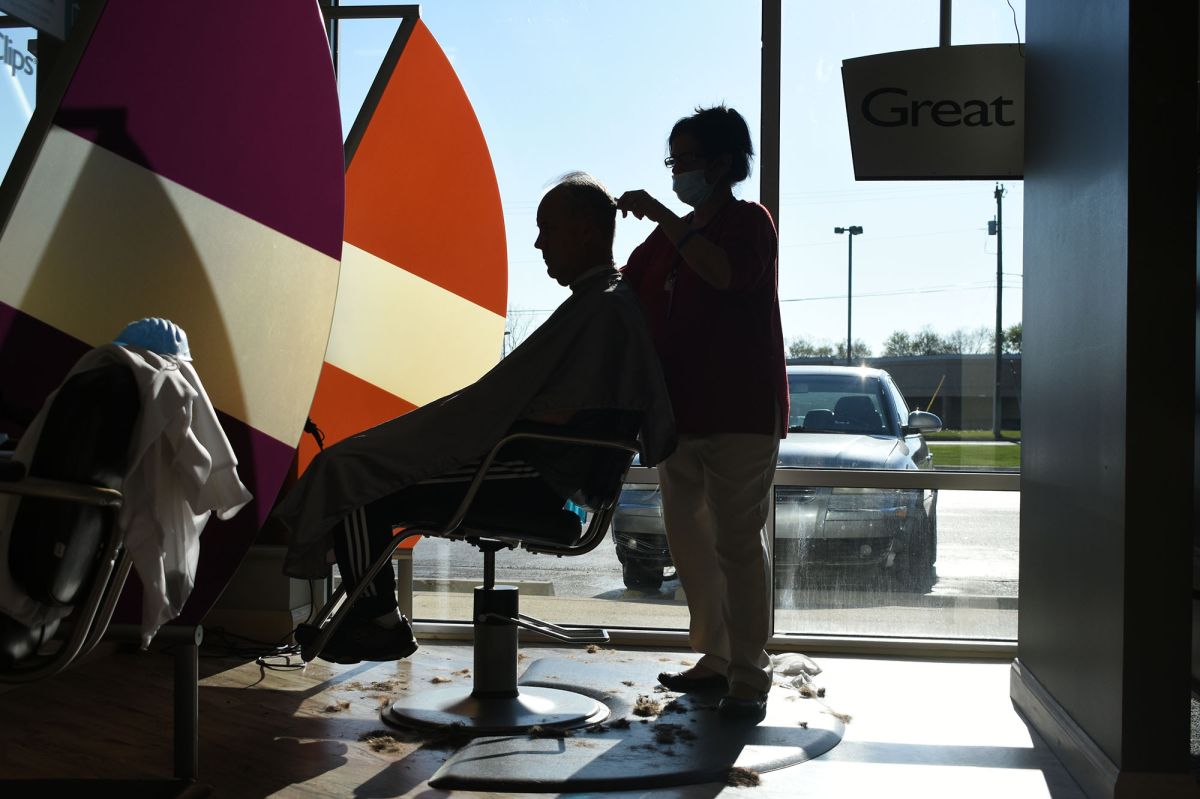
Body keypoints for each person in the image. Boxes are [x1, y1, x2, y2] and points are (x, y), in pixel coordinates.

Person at [273, 172, 675, 664]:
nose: (538, 242)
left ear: (587, 231)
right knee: (362, 467)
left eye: (547, 228)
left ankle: (377, 624)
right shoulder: (601, 305)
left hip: (539, 477)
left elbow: (560, 411)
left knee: (362, 481)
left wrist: (476, 421)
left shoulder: (604, 309)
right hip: (541, 468)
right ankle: (372, 617)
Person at [616, 105, 787, 721]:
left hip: (740, 410)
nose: (676, 172)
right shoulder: (663, 242)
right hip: (677, 415)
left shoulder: (748, 224)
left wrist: (665, 218)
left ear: (722, 164)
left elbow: (725, 276)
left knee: (738, 541)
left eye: (685, 160)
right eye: (672, 161)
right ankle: (714, 656)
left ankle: (750, 670)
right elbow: (621, 294)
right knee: (689, 540)